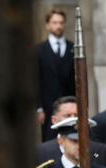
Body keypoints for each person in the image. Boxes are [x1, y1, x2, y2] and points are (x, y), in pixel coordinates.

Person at [37, 96, 106, 168]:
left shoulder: (101, 150)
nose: (74, 119)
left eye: (77, 115)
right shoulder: (42, 152)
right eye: (68, 115)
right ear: (54, 120)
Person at [36, 9, 75, 141]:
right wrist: (38, 108)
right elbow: (35, 80)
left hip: (70, 106)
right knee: (49, 140)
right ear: (47, 25)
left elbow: (79, 79)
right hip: (48, 107)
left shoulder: (74, 48)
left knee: (71, 138)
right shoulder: (39, 50)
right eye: (54, 22)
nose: (58, 26)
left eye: (61, 22)